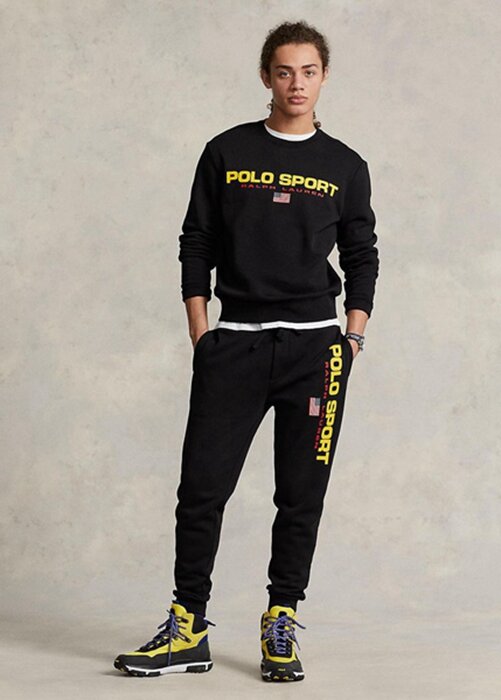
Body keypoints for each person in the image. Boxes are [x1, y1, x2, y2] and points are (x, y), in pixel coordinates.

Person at [114, 19, 379, 683]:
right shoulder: (226, 152)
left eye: (309, 72)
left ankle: (281, 621)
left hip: (316, 353)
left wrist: (351, 337)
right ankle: (187, 628)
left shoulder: (345, 166)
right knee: (201, 490)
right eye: (284, 71)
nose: (297, 84)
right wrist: (201, 332)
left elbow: (362, 255)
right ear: (266, 76)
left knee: (300, 495)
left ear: (324, 77)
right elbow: (196, 241)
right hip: (234, 344)